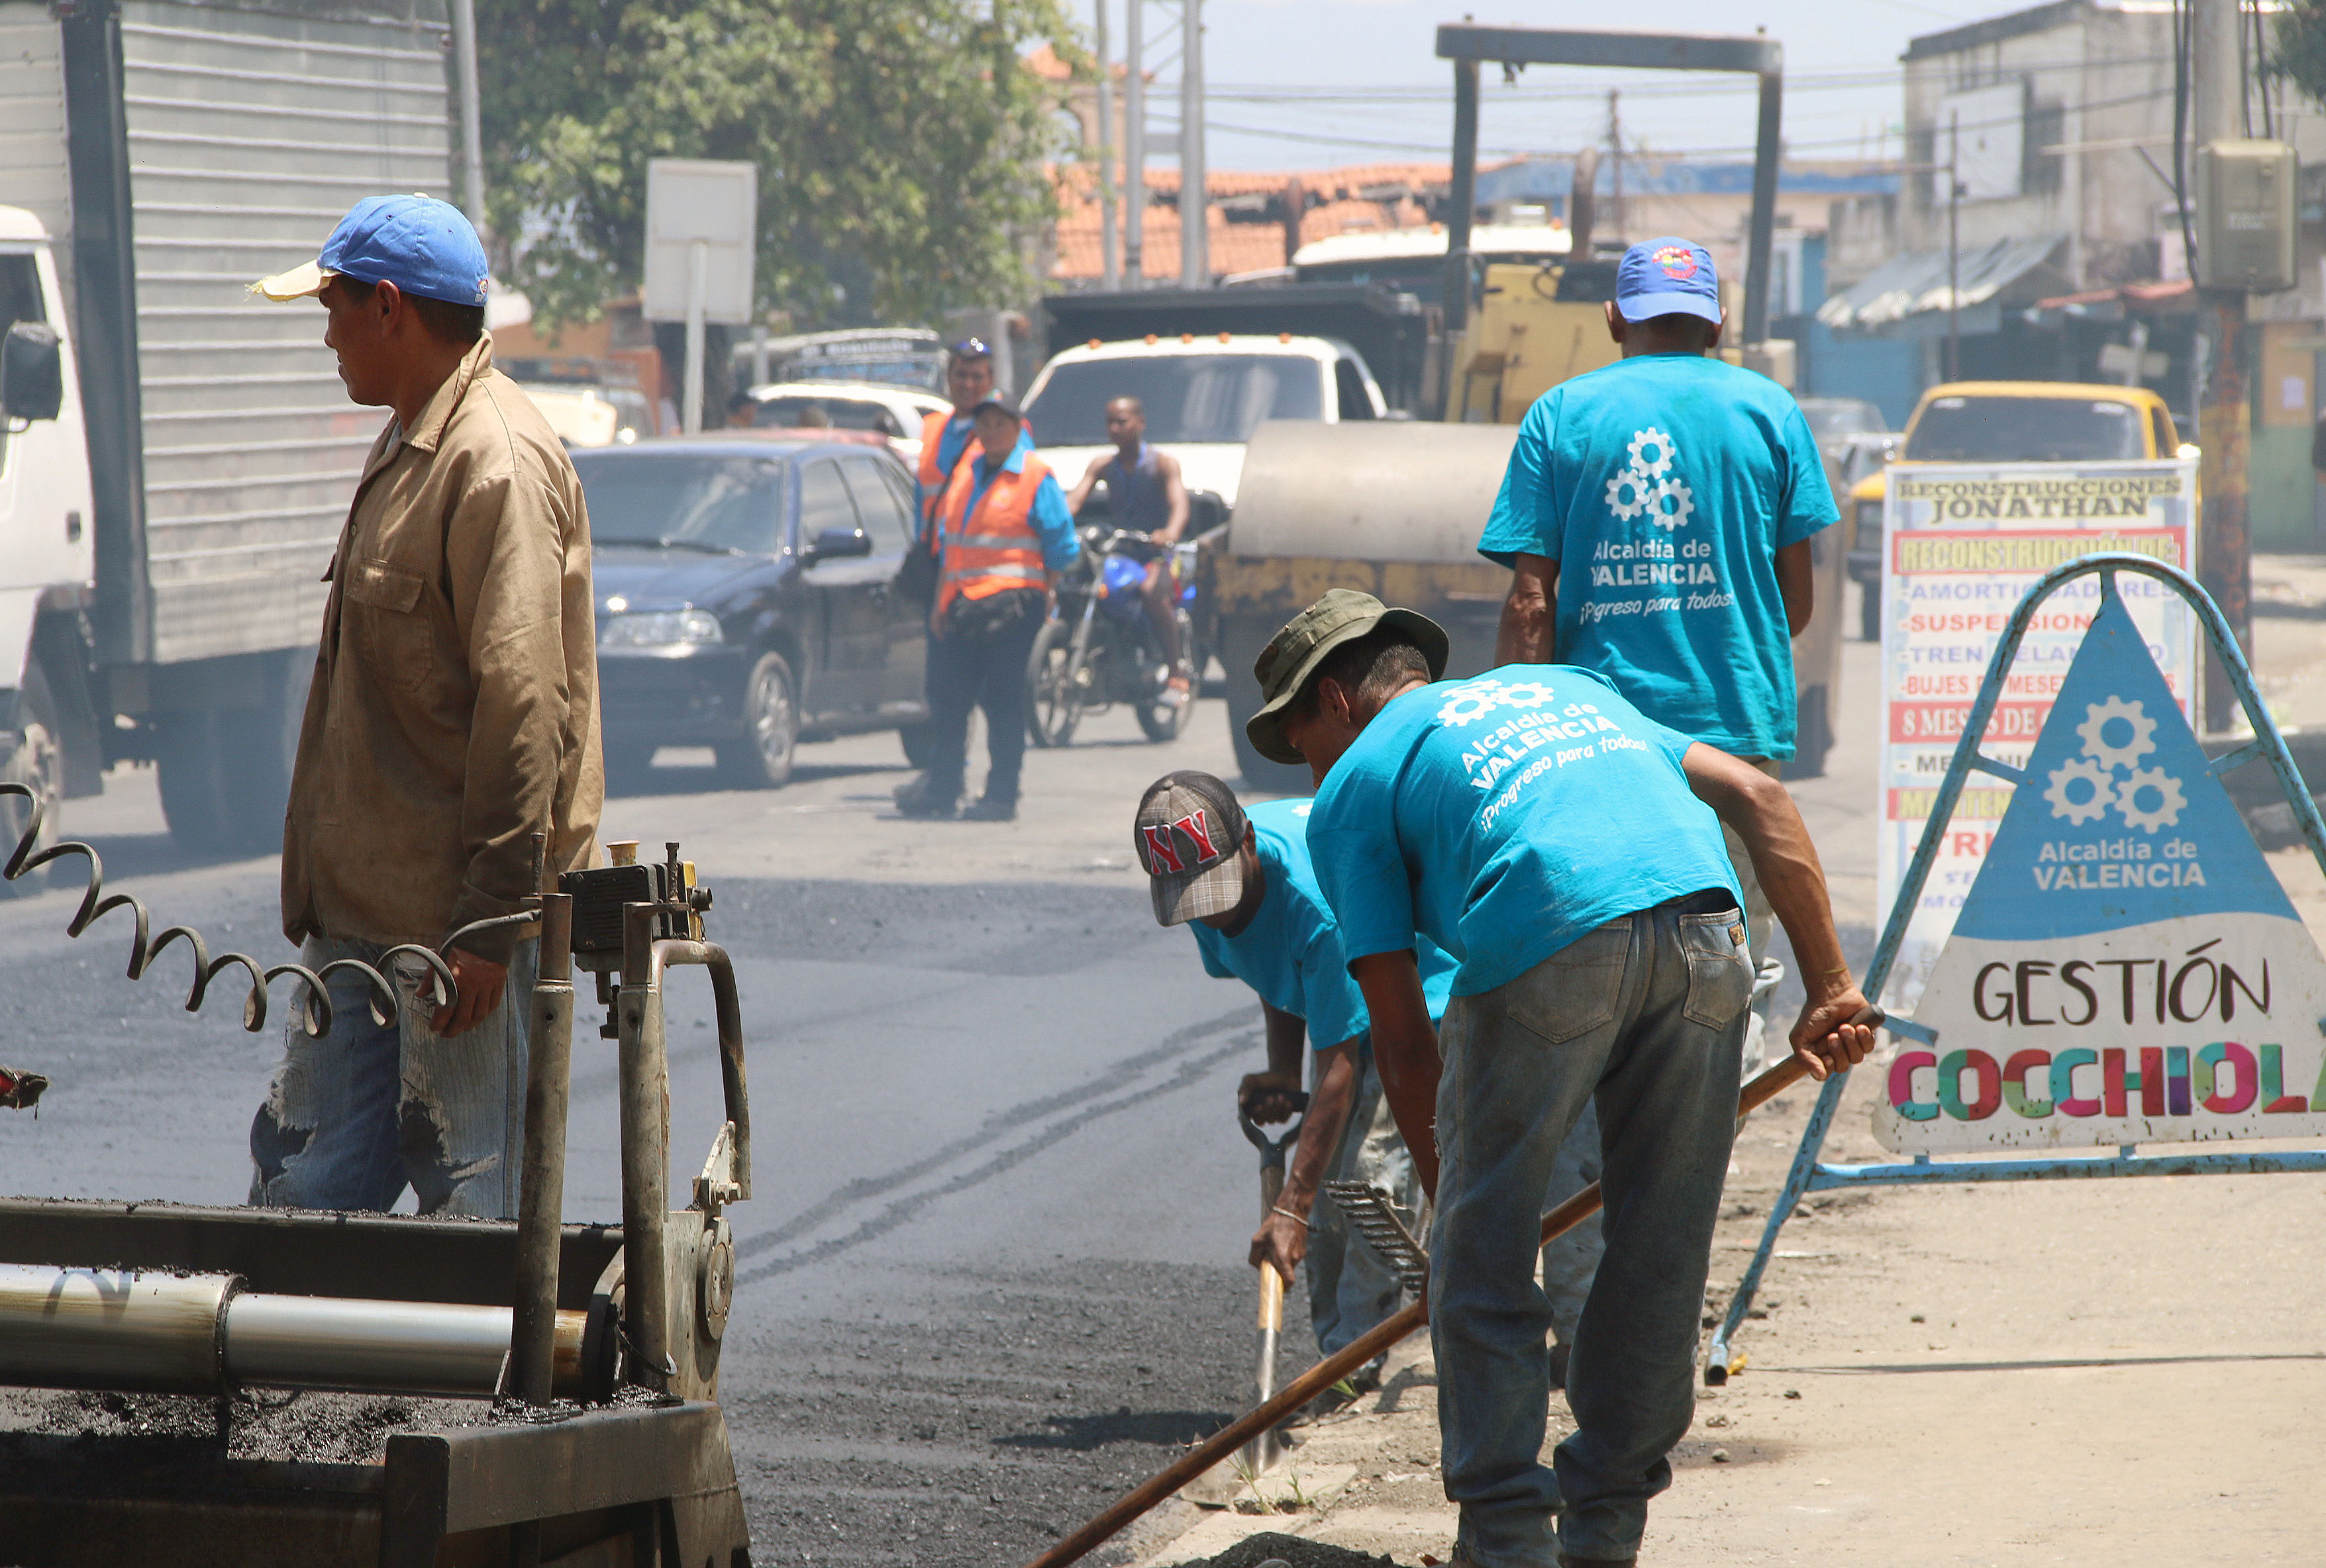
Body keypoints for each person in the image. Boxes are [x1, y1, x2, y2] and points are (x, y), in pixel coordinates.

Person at [1246, 589, 1873, 1568]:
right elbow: (1763, 799)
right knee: (1659, 1256)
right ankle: (1605, 1537)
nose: (1312, 771)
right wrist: (1831, 987)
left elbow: (1402, 1042)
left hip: (1546, 932)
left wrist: (1455, 1203)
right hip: (1709, 935)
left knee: (1483, 1263)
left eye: (1304, 743)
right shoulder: (1570, 689)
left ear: (1335, 699)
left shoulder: (1355, 784)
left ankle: (1505, 1543)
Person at [246, 195, 603, 1218]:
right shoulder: (411, 441)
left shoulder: (493, 461)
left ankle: (476, 1382)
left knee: (472, 1201)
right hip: (361, 920)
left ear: (390, 308)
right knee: (305, 1189)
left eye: (335, 308)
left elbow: (525, 699)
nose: (326, 333)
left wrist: (492, 922)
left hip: (456, 937)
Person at [1480, 236, 1838, 1083]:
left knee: (1591, 954)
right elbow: (1795, 603)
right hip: (1734, 740)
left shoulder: (1561, 415)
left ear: (1613, 320)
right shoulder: (1770, 412)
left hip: (1594, 746)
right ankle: (1700, 1143)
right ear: (1717, 322)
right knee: (1725, 968)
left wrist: (1514, 730)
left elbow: (1530, 603)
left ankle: (1596, 1169)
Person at [1135, 769, 1446, 1383]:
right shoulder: (1200, 886)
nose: (1209, 914)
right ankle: (1342, 1357)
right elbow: (1274, 966)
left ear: (1247, 842)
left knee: (1367, 1181)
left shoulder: (1313, 902)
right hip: (1345, 992)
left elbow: (1340, 1063)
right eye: (1196, 899)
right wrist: (1282, 1068)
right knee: (1324, 1193)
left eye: (1217, 893)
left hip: (1420, 992)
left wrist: (1291, 1207)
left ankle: (1361, 1360)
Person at [893, 391, 1077, 822]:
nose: (992, 431)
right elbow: (951, 548)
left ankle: (1001, 795)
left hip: (1013, 610)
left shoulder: (1035, 476)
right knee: (948, 700)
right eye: (985, 423)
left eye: (1001, 423)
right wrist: (940, 604)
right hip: (961, 605)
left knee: (1003, 704)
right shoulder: (966, 475)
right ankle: (943, 790)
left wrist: (1047, 591)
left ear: (1018, 428)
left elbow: (1062, 547)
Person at [1066, 397, 1193, 703]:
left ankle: (1176, 670)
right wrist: (1055, 522)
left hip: (1159, 555)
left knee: (1152, 592)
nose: (1115, 429)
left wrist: (1170, 533)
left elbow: (1180, 505)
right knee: (1083, 585)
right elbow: (1075, 500)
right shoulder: (1103, 466)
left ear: (1140, 422)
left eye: (1122, 422)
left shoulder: (1163, 464)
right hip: (1123, 553)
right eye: (1110, 422)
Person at [915, 338, 1000, 527]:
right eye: (961, 375)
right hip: (936, 553)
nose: (968, 385)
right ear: (948, 378)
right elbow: (921, 500)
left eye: (977, 377)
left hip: (979, 553)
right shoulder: (932, 428)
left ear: (991, 382)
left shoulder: (1005, 432)